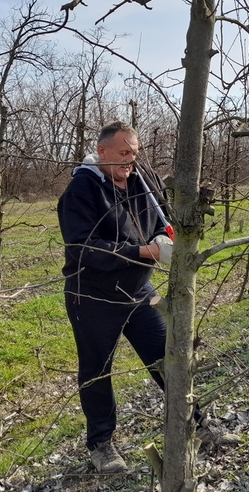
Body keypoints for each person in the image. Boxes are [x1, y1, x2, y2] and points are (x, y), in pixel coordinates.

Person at [57, 121, 174, 473]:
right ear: (102, 151)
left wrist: (162, 241)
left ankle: (196, 423)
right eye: (123, 153)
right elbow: (82, 247)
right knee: (97, 371)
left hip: (138, 292)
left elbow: (157, 219)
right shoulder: (82, 190)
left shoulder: (140, 180)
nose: (130, 160)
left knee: (166, 356)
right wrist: (143, 251)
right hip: (92, 297)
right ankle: (101, 444)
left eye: (134, 153)